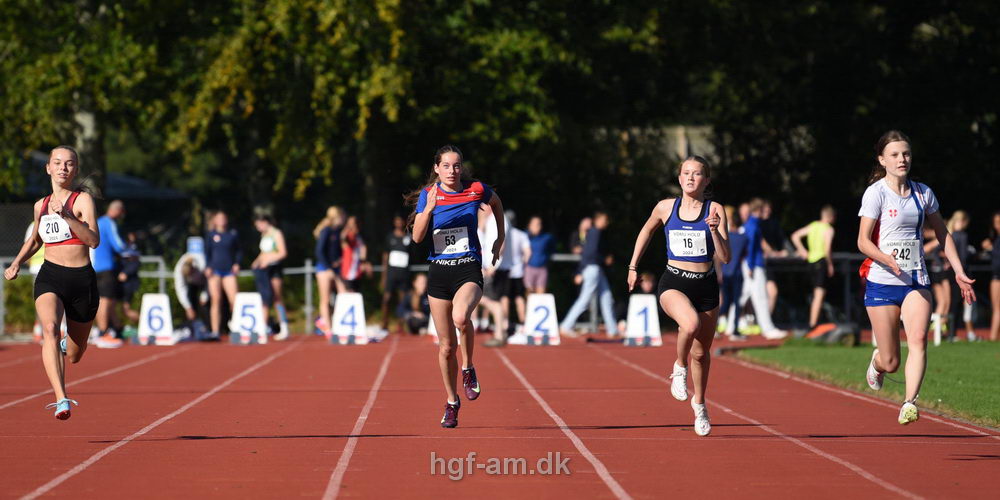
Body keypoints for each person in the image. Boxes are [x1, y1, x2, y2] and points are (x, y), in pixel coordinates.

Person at [858, 130, 975, 425]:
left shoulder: (923, 193)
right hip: (882, 282)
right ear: (882, 159)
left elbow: (942, 233)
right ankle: (878, 362)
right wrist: (885, 259)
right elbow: (862, 242)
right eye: (895, 154)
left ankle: (909, 402)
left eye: (906, 154)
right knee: (892, 361)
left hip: (916, 281)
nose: (902, 159)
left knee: (919, 338)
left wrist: (960, 271)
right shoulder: (876, 193)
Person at [626, 155, 730, 437]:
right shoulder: (665, 207)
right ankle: (678, 366)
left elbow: (726, 257)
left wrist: (714, 231)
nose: (690, 178)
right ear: (679, 177)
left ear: (706, 180)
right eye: (686, 173)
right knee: (690, 325)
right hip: (674, 282)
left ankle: (700, 405)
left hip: (706, 285)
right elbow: (646, 231)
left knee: (702, 353)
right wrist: (633, 266)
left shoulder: (715, 209)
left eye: (697, 174)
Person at [407, 144, 504, 428]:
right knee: (446, 346)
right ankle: (452, 401)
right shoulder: (429, 195)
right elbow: (417, 237)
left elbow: (497, 203)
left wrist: (500, 238)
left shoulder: (475, 189)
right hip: (439, 272)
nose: (452, 171)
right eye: (446, 166)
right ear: (437, 168)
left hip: (468, 267)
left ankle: (469, 367)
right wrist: (429, 210)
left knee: (461, 317)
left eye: (456, 165)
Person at [4, 146, 101, 419]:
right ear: (48, 168)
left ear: (76, 170)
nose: (63, 168)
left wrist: (67, 217)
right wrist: (16, 263)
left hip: (81, 280)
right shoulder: (41, 205)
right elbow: (35, 240)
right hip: (51, 276)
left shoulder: (83, 201)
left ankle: (63, 345)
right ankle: (61, 398)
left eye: (69, 164)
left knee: (74, 354)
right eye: (57, 163)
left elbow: (94, 240)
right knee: (49, 327)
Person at [560, 211, 618, 337]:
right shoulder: (595, 232)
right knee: (585, 299)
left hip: (596, 268)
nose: (606, 223)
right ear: (597, 220)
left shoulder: (595, 233)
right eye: (604, 220)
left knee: (606, 297)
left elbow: (589, 252)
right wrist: (580, 271)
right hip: (592, 268)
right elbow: (589, 253)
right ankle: (566, 325)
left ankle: (612, 329)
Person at [739, 199, 787, 339]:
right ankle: (768, 329)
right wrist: (751, 265)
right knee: (761, 297)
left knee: (742, 296)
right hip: (755, 265)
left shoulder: (751, 224)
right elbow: (751, 247)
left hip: (751, 264)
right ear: (758, 210)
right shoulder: (753, 225)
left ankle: (731, 323)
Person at [791, 205, 836, 329]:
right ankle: (813, 324)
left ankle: (814, 320)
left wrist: (802, 250)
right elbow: (827, 249)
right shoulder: (828, 229)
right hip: (821, 262)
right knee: (819, 294)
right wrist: (830, 265)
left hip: (810, 262)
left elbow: (795, 236)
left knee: (815, 293)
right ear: (831, 217)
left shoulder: (813, 226)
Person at [92, 200, 127, 347]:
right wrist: (130, 251)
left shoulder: (98, 222)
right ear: (118, 211)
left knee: (107, 300)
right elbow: (118, 245)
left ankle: (116, 329)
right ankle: (103, 332)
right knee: (105, 300)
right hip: (106, 267)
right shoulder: (109, 223)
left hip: (95, 267)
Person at [205, 210, 242, 338]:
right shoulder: (211, 235)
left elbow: (238, 251)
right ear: (215, 221)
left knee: (235, 300)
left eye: (223, 218)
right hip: (215, 271)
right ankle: (215, 330)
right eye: (219, 218)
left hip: (228, 271)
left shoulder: (232, 234)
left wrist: (237, 263)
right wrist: (208, 266)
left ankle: (237, 326)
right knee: (216, 300)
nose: (221, 220)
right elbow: (207, 252)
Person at [251, 214, 289, 340]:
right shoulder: (264, 235)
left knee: (277, 297)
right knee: (265, 298)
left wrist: (269, 260)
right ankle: (263, 328)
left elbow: (282, 252)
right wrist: (257, 261)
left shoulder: (276, 234)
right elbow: (264, 252)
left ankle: (284, 326)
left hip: (274, 269)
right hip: (264, 270)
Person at [313, 206, 346, 335]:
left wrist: (338, 260)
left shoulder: (337, 231)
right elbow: (319, 251)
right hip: (323, 269)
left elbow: (336, 251)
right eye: (342, 217)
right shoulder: (326, 231)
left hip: (334, 269)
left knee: (343, 294)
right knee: (325, 299)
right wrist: (328, 267)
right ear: (336, 217)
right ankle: (327, 326)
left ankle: (340, 322)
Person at [718, 205, 748, 339]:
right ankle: (735, 331)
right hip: (737, 273)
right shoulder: (743, 238)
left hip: (725, 273)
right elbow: (745, 255)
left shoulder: (725, 237)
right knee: (736, 302)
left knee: (725, 303)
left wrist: (719, 272)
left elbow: (718, 256)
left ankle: (713, 327)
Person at [946, 211, 975, 340]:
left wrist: (944, 263)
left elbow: (937, 251)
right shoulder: (962, 236)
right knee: (964, 302)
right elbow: (963, 256)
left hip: (950, 272)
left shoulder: (950, 235)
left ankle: (951, 333)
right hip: (961, 273)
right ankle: (961, 333)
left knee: (953, 303)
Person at [381, 214, 412, 332]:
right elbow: (385, 255)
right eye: (397, 221)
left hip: (404, 273)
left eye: (401, 221)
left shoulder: (408, 237)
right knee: (387, 298)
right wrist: (384, 275)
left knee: (402, 299)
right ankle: (384, 322)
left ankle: (400, 324)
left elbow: (412, 256)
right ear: (394, 222)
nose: (399, 223)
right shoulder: (390, 237)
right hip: (391, 272)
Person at [759, 200, 788, 313]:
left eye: (769, 208)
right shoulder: (755, 224)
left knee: (772, 293)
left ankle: (766, 321)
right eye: (765, 208)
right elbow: (761, 242)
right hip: (755, 264)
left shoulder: (773, 223)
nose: (767, 211)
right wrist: (773, 253)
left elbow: (782, 240)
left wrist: (784, 252)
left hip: (768, 264)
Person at [923, 225, 951, 336]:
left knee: (945, 301)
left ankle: (941, 325)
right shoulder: (930, 240)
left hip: (941, 273)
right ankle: (937, 326)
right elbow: (925, 249)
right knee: (944, 301)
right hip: (936, 273)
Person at [524, 216, 555, 294]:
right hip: (529, 268)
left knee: (541, 294)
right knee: (529, 293)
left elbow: (552, 249)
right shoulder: (524, 236)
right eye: (534, 224)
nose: (537, 226)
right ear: (529, 225)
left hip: (542, 269)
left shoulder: (547, 238)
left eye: (538, 224)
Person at [340, 215, 370, 292]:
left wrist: (364, 262)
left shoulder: (359, 236)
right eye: (351, 223)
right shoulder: (349, 235)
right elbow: (343, 239)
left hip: (357, 270)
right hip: (347, 271)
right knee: (349, 293)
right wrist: (347, 228)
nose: (354, 225)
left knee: (356, 292)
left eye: (355, 223)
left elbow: (363, 249)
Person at [982, 211, 1000, 341]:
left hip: (998, 276)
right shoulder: (996, 239)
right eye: (996, 223)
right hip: (996, 275)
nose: (998, 225)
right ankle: (993, 337)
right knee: (996, 308)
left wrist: (991, 249)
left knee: (997, 308)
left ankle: (993, 337)